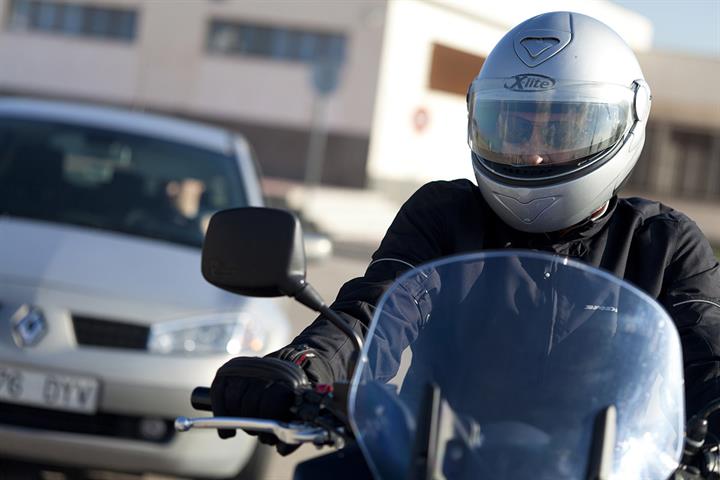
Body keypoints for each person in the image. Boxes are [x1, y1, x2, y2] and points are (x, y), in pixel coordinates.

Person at [210, 10, 720, 454]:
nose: (533, 153)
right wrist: (307, 365)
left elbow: (708, 350)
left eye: (560, 129)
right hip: (432, 462)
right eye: (514, 126)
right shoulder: (445, 216)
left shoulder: (664, 245)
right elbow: (375, 312)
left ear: (625, 123)